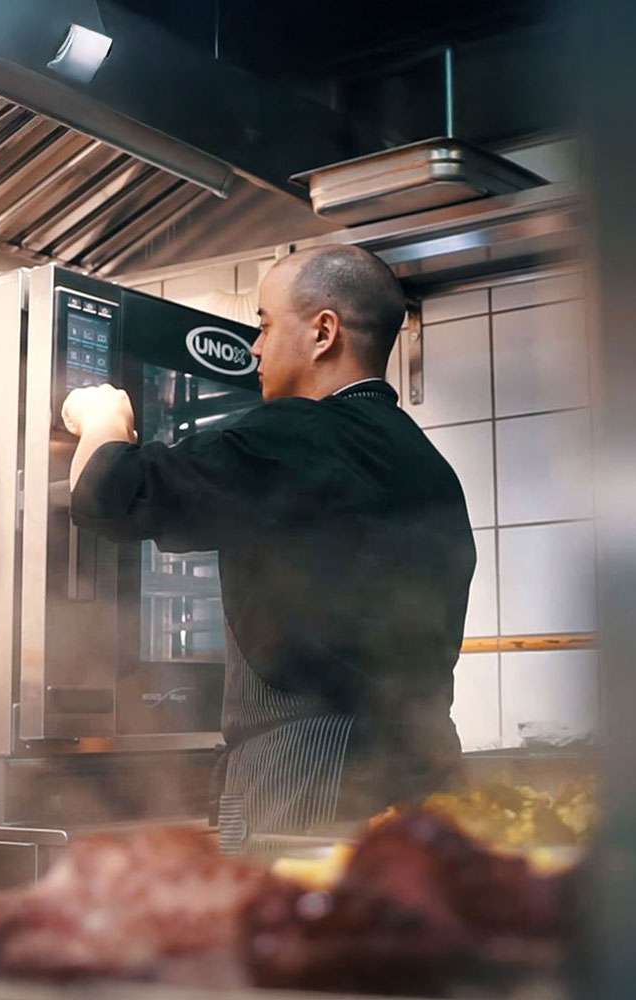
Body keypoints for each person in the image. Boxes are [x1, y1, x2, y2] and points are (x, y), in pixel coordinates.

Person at [63, 246, 476, 851]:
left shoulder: (299, 433)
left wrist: (101, 416)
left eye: (264, 324)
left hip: (313, 776)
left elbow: (109, 493)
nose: (253, 349)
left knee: (294, 939)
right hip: (430, 772)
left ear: (323, 332)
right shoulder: (426, 462)